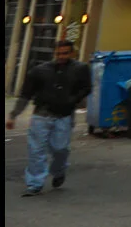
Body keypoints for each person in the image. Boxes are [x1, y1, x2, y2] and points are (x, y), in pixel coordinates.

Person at [8, 39, 94, 197]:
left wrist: (73, 99)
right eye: (59, 53)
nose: (62, 56)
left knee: (60, 149)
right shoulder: (40, 71)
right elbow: (26, 94)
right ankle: (35, 184)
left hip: (64, 115)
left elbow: (87, 88)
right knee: (36, 150)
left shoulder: (80, 69)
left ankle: (58, 171)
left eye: (65, 53)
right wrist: (14, 114)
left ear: (72, 53)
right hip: (41, 114)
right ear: (55, 53)